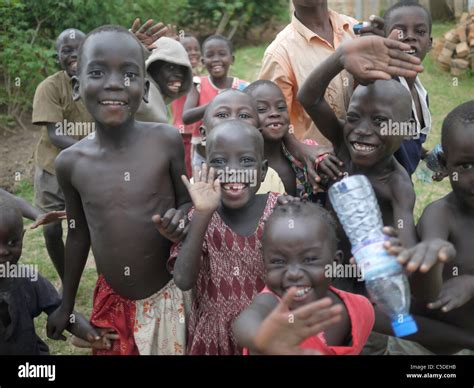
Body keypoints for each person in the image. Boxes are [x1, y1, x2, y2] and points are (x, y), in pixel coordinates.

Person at [46, 25, 191, 355]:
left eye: (128, 73)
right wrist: (66, 304)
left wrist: (180, 220)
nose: (114, 83)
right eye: (97, 72)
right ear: (77, 86)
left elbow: (187, 204)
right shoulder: (70, 163)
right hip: (113, 306)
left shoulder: (166, 141)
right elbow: (78, 233)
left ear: (144, 88)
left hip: (171, 299)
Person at [297, 35, 424, 263]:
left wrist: (390, 254)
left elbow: (407, 250)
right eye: (353, 117)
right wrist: (341, 57)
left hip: (372, 279)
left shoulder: (397, 184)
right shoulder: (343, 143)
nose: (362, 130)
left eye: (379, 121)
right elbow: (309, 98)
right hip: (327, 272)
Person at [169, 121, 280, 355]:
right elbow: (183, 280)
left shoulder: (280, 211)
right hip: (213, 338)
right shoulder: (199, 215)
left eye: (246, 161)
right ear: (205, 167)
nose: (233, 170)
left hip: (267, 332)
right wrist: (202, 214)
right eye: (219, 162)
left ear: (263, 169)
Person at [382, 101, 474, 355]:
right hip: (416, 346)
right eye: (466, 166)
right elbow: (426, 293)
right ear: (444, 165)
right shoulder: (441, 214)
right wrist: (433, 257)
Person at [233, 201, 374, 355]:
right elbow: (246, 321)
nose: (294, 273)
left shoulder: (358, 308)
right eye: (278, 262)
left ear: (335, 263)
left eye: (309, 259)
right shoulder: (272, 305)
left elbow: (400, 324)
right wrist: (261, 340)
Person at [0, 196, 103, 354]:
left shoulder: (28, 280)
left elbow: (62, 311)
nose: (4, 251)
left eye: (12, 242)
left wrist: (90, 334)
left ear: (22, 236)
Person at [32, 28, 93, 281]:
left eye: (79, 49)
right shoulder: (49, 87)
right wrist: (95, 152)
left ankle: (106, 281)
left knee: (86, 225)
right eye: (66, 50)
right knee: (52, 229)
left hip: (89, 169)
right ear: (57, 55)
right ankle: (67, 279)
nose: (73, 55)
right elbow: (56, 135)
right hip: (54, 169)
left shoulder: (97, 83)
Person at [259, 0, 358, 144]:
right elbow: (272, 125)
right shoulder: (279, 53)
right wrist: (304, 151)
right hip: (322, 163)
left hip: (369, 156)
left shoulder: (355, 29)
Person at [182, 34, 249, 167]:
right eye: (210, 55)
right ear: (203, 60)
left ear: (232, 59)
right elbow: (186, 117)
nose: (216, 59)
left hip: (234, 159)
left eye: (222, 54)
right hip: (203, 158)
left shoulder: (242, 87)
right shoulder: (198, 84)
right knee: (202, 187)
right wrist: (216, 102)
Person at [245, 80, 319, 198]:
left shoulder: (307, 155)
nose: (275, 113)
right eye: (262, 109)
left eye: (281, 107)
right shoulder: (240, 167)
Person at [383, 0, 433, 176]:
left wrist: (428, 156)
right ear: (385, 40)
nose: (410, 37)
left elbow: (404, 140)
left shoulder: (421, 94)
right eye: (400, 32)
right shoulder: (382, 90)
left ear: (430, 43)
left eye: (420, 31)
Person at [135, 36, 193, 124]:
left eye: (182, 69)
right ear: (152, 68)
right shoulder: (141, 94)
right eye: (170, 67)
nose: (179, 74)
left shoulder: (158, 100)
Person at [171, 34, 203, 177]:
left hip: (196, 133)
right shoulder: (179, 76)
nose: (193, 52)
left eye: (196, 49)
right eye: (187, 49)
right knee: (188, 172)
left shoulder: (197, 76)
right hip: (184, 133)